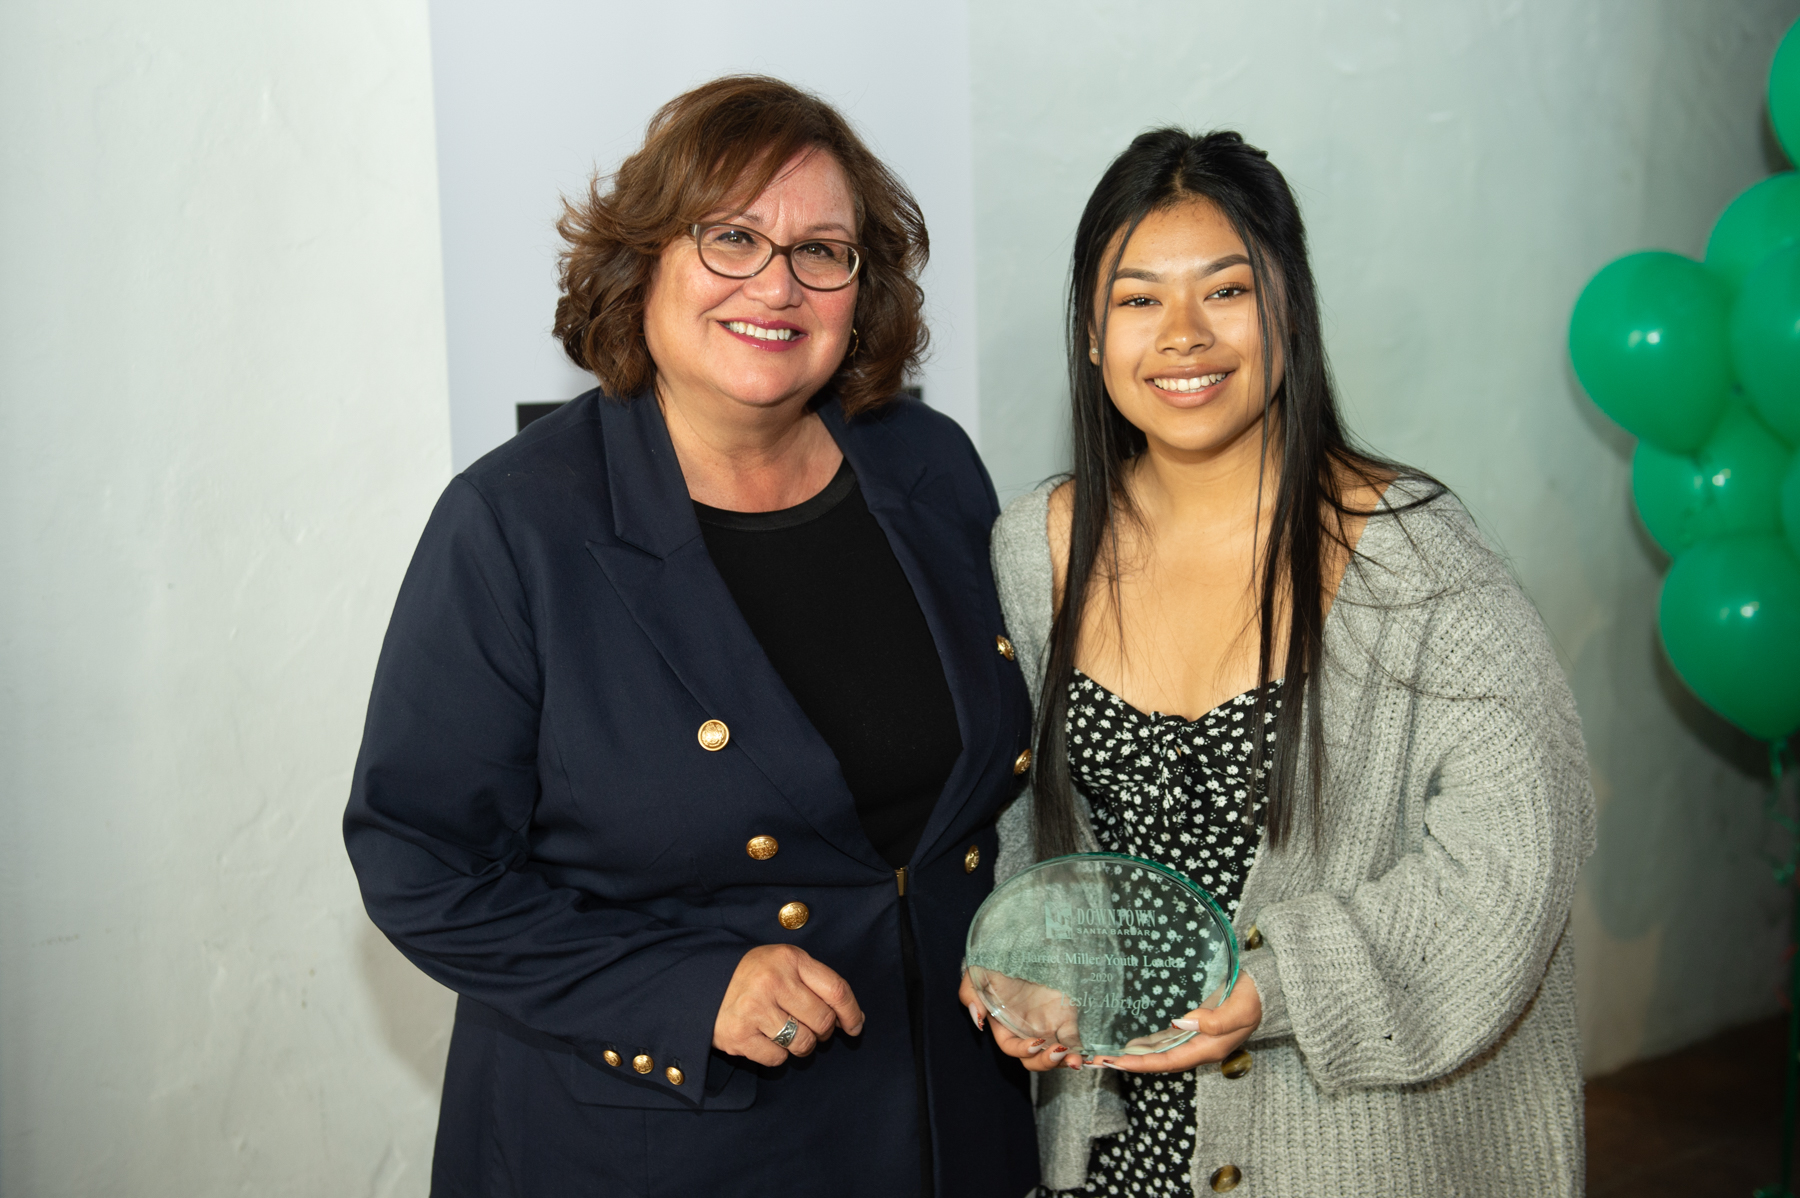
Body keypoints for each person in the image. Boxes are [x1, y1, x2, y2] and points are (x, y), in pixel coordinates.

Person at [345, 76, 1038, 1198]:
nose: (778, 283)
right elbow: (420, 861)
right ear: (644, 261)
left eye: (823, 251)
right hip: (666, 1147)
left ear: (860, 290)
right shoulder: (516, 523)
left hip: (945, 1125)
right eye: (733, 238)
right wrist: (682, 990)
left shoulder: (931, 462)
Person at [965, 128, 1594, 1196]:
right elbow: (1019, 821)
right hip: (1113, 1149)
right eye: (1136, 299)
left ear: (1289, 312)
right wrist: (1016, 961)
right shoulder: (1038, 547)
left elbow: (1511, 862)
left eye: (1226, 291)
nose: (1183, 335)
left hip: (1351, 1148)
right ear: (1091, 336)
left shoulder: (1412, 556)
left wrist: (1275, 982)